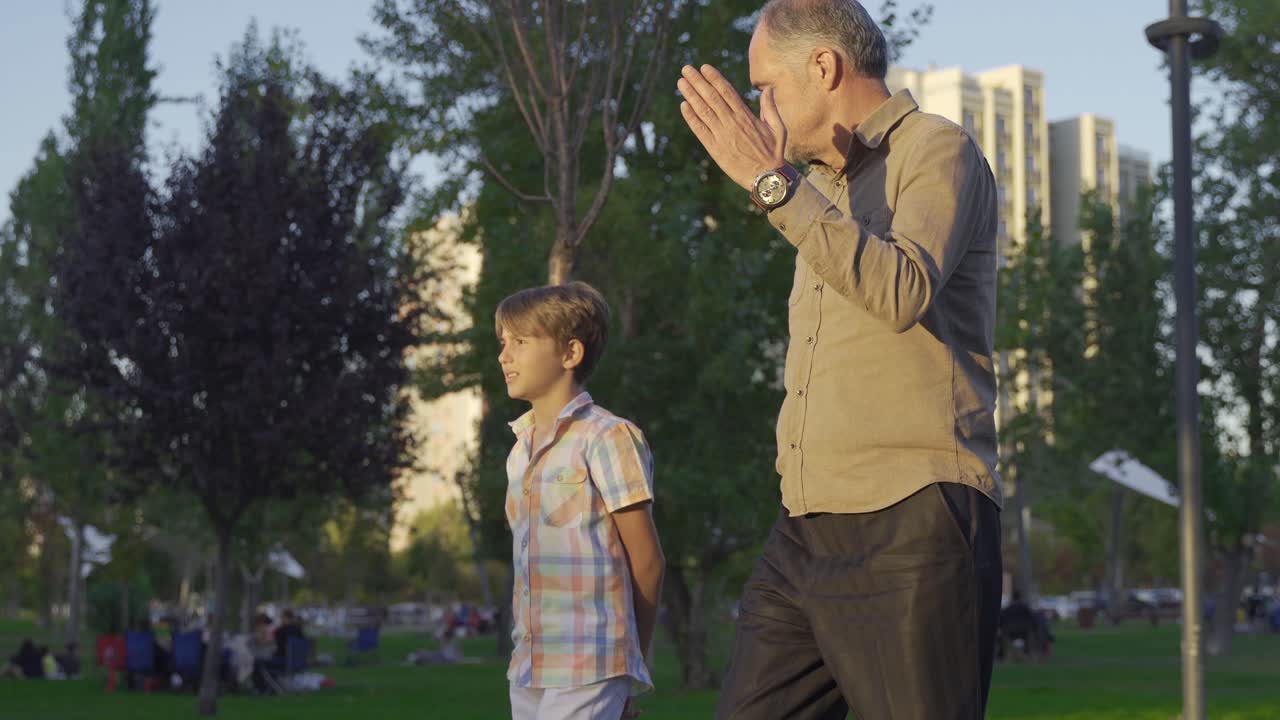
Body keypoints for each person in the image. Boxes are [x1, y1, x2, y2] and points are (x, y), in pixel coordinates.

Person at [677, 1, 1003, 717]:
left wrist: (772, 185)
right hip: (805, 524)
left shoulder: (937, 149)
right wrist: (786, 189)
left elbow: (902, 288)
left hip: (913, 521)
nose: (760, 105)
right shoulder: (821, 186)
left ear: (824, 67)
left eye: (767, 87)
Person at [497, 282, 666, 720]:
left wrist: (631, 665)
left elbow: (647, 562)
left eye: (520, 342)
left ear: (570, 353)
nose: (504, 356)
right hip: (530, 667)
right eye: (503, 343)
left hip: (590, 658)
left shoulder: (608, 438)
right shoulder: (520, 453)